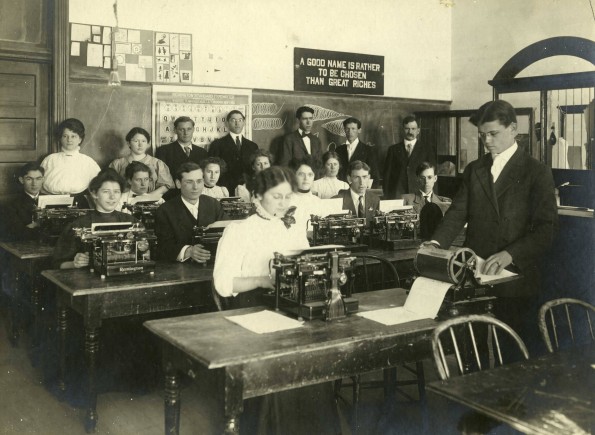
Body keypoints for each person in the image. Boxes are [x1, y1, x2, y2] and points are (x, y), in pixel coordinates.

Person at [429, 100, 558, 344]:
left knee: (511, 352)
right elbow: (457, 213)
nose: (486, 141)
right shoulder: (475, 169)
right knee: (471, 349)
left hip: (515, 277)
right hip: (475, 276)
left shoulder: (536, 172)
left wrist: (510, 254)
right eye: (481, 135)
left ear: (513, 129)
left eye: (493, 134)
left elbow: (546, 230)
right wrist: (436, 244)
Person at [52, 169, 135, 269]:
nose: (112, 197)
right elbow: (57, 264)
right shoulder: (78, 225)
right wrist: (74, 263)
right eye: (106, 192)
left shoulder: (132, 221)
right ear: (94, 194)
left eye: (117, 192)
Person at [154, 162, 225, 263]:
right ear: (178, 184)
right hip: (179, 271)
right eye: (189, 182)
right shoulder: (165, 211)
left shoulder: (213, 204)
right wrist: (188, 251)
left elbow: (228, 233)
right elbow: (162, 247)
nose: (195, 187)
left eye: (199, 181)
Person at [109, 127, 174, 199]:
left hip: (150, 201)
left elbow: (166, 185)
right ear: (128, 143)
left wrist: (148, 197)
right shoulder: (117, 164)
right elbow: (110, 184)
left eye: (143, 141)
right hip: (123, 201)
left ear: (148, 144)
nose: (140, 145)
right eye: (136, 141)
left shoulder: (157, 163)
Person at [41, 118, 100, 195]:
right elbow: (39, 182)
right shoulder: (49, 159)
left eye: (73, 136)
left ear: (80, 139)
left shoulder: (88, 162)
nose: (69, 140)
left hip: (79, 201)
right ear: (60, 138)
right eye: (65, 136)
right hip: (50, 199)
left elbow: (98, 186)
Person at [382, 115, 435, 199]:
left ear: (418, 131)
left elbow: (432, 174)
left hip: (418, 193)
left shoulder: (426, 149)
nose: (410, 132)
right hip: (397, 194)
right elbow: (387, 176)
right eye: (407, 129)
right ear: (402, 130)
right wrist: (387, 196)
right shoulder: (393, 149)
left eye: (413, 129)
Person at [207, 110, 259, 194]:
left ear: (244, 122)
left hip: (248, 190)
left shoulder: (253, 146)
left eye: (240, 120)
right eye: (233, 120)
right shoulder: (217, 145)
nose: (237, 123)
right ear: (227, 123)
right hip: (225, 190)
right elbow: (211, 168)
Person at [1, 162, 45, 241]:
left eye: (38, 179)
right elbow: (17, 233)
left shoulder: (52, 200)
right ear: (21, 180)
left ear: (43, 179)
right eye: (29, 179)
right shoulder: (11, 204)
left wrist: (31, 226)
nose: (34, 184)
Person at [336, 117, 379, 186]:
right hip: (342, 189)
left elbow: (374, 175)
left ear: (359, 130)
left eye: (353, 129)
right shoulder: (339, 150)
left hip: (360, 188)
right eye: (347, 129)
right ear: (344, 130)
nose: (350, 132)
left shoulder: (368, 150)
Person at [279, 106, 323, 171]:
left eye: (311, 118)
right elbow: (284, 165)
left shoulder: (316, 140)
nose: (308, 122)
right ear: (298, 120)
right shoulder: (289, 139)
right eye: (305, 119)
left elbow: (320, 164)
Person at [289, 157, 325, 236]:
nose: (306, 178)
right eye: (301, 174)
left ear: (314, 177)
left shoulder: (318, 202)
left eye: (310, 174)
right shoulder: (287, 201)